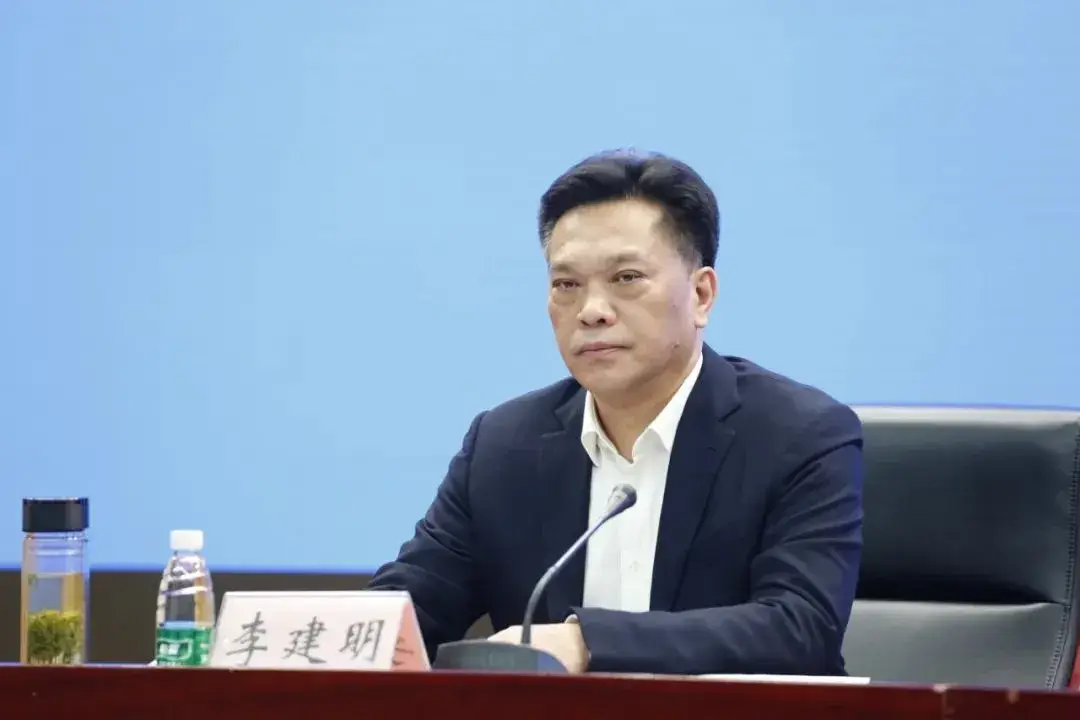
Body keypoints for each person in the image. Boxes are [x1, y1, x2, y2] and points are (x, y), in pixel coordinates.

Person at [367, 149, 864, 676]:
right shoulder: (503, 445)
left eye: (626, 278)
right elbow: (411, 609)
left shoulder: (800, 435)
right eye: (566, 284)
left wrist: (585, 642)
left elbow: (800, 627)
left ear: (701, 295)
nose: (591, 311)